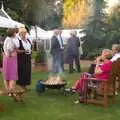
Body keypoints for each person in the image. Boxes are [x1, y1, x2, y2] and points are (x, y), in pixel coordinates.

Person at [3, 29, 19, 94]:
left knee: (7, 74)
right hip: (11, 58)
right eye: (15, 32)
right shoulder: (10, 39)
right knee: (12, 75)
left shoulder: (8, 39)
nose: (16, 33)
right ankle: (11, 92)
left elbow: (5, 48)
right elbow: (9, 48)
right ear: (12, 33)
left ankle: (9, 91)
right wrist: (12, 51)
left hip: (7, 58)